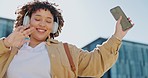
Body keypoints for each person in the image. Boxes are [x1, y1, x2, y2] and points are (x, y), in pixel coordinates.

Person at [0, 0, 134, 78]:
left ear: (54, 26)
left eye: (48, 21)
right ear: (27, 20)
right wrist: (6, 43)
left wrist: (117, 37)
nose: (42, 24)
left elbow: (96, 64)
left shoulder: (66, 50)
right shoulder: (8, 49)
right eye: (37, 19)